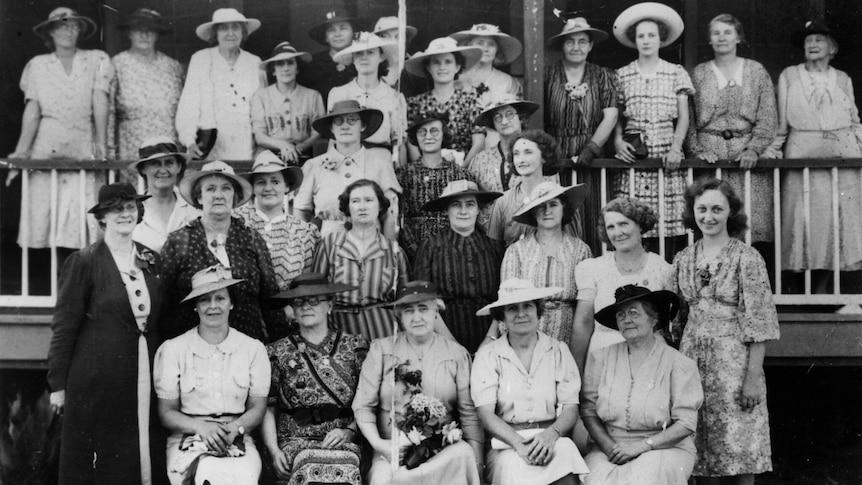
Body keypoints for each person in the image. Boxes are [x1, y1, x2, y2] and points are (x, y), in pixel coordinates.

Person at [48, 183, 163, 485]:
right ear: (102, 219)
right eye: (116, 209)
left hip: (142, 372)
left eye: (130, 208)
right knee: (103, 453)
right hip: (97, 377)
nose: (125, 214)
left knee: (139, 446)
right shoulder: (84, 262)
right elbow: (64, 326)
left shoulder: (151, 260)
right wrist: (57, 385)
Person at [671, 178, 780, 484]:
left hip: (734, 365)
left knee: (740, 449)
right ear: (692, 212)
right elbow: (676, 321)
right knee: (700, 452)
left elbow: (759, 323)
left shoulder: (747, 258)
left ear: (730, 212)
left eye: (717, 209)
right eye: (702, 208)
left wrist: (752, 380)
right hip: (692, 363)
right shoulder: (683, 259)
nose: (709, 216)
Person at [353, 281, 483, 485]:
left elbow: (468, 414)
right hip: (391, 452)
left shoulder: (456, 355)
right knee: (382, 479)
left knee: (464, 454)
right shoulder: (381, 351)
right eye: (408, 310)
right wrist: (380, 445)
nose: (417, 318)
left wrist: (478, 463)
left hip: (442, 449)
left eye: (423, 309)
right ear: (399, 316)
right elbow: (363, 407)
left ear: (436, 312)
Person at [764, 21, 862, 288]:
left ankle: (830, 288)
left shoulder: (842, 78)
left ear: (833, 48)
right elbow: (782, 123)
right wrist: (771, 149)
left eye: (819, 40)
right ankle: (801, 289)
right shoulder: (790, 76)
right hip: (802, 153)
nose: (813, 45)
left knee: (840, 220)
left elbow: (854, 120)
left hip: (844, 157)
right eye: (809, 41)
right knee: (802, 218)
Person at [9, 7, 113, 256]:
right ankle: (55, 282)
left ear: (80, 30)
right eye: (61, 26)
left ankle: (82, 280)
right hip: (47, 145)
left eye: (73, 25)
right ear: (51, 33)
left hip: (82, 143)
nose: (67, 30)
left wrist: (101, 145)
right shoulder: (38, 65)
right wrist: (22, 152)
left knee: (84, 213)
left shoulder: (96, 59)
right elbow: (33, 111)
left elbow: (100, 103)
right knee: (48, 213)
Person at [154, 265, 271, 485]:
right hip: (187, 438)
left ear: (231, 303)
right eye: (204, 300)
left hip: (237, 435)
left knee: (243, 477)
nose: (213, 306)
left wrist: (235, 428)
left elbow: (258, 407)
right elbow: (166, 413)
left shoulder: (252, 349)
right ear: (195, 307)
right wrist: (201, 427)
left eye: (220, 298)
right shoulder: (173, 350)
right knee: (205, 474)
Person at [471, 279, 589, 485]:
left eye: (528, 306)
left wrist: (550, 435)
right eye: (512, 309)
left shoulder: (558, 350)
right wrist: (518, 443)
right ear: (502, 317)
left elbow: (571, 407)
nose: (521, 314)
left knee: (566, 456)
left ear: (538, 311)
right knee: (513, 468)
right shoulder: (488, 355)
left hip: (550, 438)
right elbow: (485, 414)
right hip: (506, 443)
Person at [582, 285, 703, 484]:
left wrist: (643, 446)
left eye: (634, 313)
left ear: (654, 319)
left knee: (646, 476)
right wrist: (610, 447)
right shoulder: (600, 358)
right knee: (596, 477)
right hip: (610, 447)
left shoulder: (679, 364)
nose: (626, 319)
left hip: (664, 447)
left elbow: (686, 423)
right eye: (620, 315)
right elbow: (588, 410)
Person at [159, 161, 286, 342]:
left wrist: (278, 347)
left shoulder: (251, 238)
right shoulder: (179, 241)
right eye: (210, 189)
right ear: (199, 197)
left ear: (234, 197)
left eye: (226, 188)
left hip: (246, 345)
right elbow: (164, 303)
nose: (218, 195)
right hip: (192, 348)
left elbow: (270, 299)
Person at [261, 273, 368, 485]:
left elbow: (369, 402)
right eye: (298, 302)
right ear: (291, 309)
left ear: (330, 305)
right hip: (293, 441)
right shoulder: (275, 352)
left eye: (314, 300)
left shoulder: (355, 347)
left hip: (342, 439)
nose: (306, 307)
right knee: (306, 463)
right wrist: (273, 451)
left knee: (344, 465)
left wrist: (350, 431)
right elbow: (268, 408)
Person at [689, 14, 777, 253]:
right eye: (716, 33)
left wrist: (754, 148)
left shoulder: (756, 71)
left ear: (738, 37)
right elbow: (689, 119)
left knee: (752, 222)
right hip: (710, 158)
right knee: (712, 218)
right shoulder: (699, 73)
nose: (722, 38)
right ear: (709, 39)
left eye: (727, 32)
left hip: (747, 158)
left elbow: (768, 117)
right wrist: (698, 151)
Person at [612, 3, 694, 257]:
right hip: (636, 158)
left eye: (651, 35)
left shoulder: (675, 73)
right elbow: (616, 116)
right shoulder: (622, 75)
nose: (646, 41)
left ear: (661, 39)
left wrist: (676, 147)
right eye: (641, 36)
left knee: (669, 229)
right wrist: (617, 141)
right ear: (634, 41)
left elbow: (683, 117)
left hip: (666, 156)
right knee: (634, 223)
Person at [492, 182, 591, 356]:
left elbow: (584, 309)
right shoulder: (516, 251)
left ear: (564, 208)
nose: (547, 211)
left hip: (566, 335)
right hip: (524, 333)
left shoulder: (580, 250)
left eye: (553, 204)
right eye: (541, 206)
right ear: (533, 212)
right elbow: (508, 301)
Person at [544, 17, 618, 242]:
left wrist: (591, 148)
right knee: (561, 212)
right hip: (557, 153)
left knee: (594, 210)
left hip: (592, 156)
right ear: (562, 45)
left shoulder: (602, 75)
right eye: (570, 42)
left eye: (582, 41)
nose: (576, 47)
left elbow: (611, 115)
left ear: (591, 45)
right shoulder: (548, 74)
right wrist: (549, 153)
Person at [575, 197, 673, 360]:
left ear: (640, 225)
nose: (618, 233)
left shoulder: (663, 269)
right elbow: (583, 323)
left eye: (623, 224)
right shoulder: (592, 268)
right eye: (611, 227)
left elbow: (671, 325)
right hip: (603, 356)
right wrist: (575, 373)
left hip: (651, 356)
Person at [413, 179, 504, 353]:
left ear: (478, 209)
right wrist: (450, 344)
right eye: (456, 205)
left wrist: (489, 339)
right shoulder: (430, 247)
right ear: (447, 209)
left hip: (490, 340)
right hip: (441, 338)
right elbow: (423, 299)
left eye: (470, 204)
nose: (463, 211)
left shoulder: (494, 248)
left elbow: (502, 300)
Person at [312, 179, 408, 342]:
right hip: (339, 329)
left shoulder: (393, 251)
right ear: (348, 207)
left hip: (382, 331)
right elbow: (315, 292)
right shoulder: (330, 244)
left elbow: (405, 301)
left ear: (380, 206)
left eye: (369, 200)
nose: (362, 207)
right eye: (355, 201)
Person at [294, 100, 402, 238]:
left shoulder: (379, 164)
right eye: (338, 121)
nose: (345, 126)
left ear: (362, 125)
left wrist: (388, 252)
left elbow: (389, 215)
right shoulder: (314, 166)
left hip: (371, 245)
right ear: (332, 128)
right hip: (328, 245)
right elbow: (301, 214)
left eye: (352, 120)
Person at [176, 8, 261, 160]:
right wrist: (189, 141)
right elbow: (189, 104)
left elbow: (262, 107)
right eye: (224, 28)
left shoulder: (254, 62)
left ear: (243, 32)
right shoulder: (201, 59)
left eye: (235, 27)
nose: (230, 33)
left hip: (246, 144)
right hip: (211, 144)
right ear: (215, 34)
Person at [235, 150, 319, 290]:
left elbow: (306, 283)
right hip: (246, 308)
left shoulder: (303, 231)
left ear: (286, 186)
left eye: (275, 181)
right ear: (253, 188)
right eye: (261, 182)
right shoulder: (238, 223)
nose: (268, 188)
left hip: (287, 309)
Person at [397, 112, 476, 260]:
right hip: (416, 252)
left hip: (454, 252)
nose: (428, 136)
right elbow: (402, 219)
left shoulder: (460, 174)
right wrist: (418, 252)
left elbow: (467, 217)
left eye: (434, 131)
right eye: (422, 132)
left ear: (443, 134)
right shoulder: (404, 175)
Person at [111, 8, 184, 162]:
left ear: (157, 34)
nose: (144, 35)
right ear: (129, 33)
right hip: (132, 145)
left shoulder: (173, 66)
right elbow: (109, 112)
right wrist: (110, 150)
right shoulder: (117, 64)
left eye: (150, 30)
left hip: (167, 145)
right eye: (138, 30)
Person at [405, 37, 485, 166]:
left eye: (448, 62)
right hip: (424, 170)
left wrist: (462, 170)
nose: (442, 67)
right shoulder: (416, 103)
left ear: (457, 67)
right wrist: (423, 170)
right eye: (436, 62)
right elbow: (411, 143)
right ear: (428, 67)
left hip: (462, 167)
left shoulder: (471, 101)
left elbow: (479, 142)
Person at [330, 31, 408, 162]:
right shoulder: (339, 94)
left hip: (381, 161)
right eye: (359, 53)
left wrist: (399, 174)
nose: (364, 58)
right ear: (353, 58)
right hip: (346, 160)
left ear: (381, 57)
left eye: (370, 52)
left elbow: (398, 143)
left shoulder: (394, 97)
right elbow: (333, 138)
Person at [486, 130, 570, 246]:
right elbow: (494, 250)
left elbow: (573, 247)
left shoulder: (561, 197)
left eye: (528, 152)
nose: (521, 160)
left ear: (544, 157)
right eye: (516, 153)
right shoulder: (502, 202)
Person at [468, 97, 541, 229]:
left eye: (510, 114)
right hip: (489, 234)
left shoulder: (537, 156)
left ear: (521, 118)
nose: (504, 121)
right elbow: (471, 199)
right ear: (493, 124)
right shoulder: (480, 160)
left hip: (527, 233)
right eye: (498, 117)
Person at [250, 41, 323, 165]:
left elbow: (318, 131)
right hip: (269, 158)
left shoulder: (313, 96)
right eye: (280, 64)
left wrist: (299, 147)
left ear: (297, 68)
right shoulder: (261, 96)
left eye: (290, 63)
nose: (285, 68)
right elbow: (259, 135)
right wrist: (283, 145)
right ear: (273, 70)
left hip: (303, 156)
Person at [131, 136, 200, 253]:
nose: (163, 170)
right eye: (155, 164)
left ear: (179, 167)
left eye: (169, 163)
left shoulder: (194, 208)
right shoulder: (131, 210)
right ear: (143, 169)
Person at [450, 23, 523, 108]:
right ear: (469, 46)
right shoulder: (455, 78)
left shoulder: (508, 82)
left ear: (497, 49)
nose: (485, 49)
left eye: (491, 44)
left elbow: (518, 116)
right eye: (480, 43)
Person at [298, 9, 360, 105]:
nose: (337, 34)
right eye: (331, 30)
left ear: (353, 33)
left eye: (343, 28)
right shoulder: (314, 64)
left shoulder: (362, 60)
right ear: (326, 37)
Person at [372, 16, 430, 98]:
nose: (393, 42)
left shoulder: (415, 75)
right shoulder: (367, 74)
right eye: (385, 36)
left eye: (398, 37)